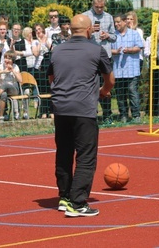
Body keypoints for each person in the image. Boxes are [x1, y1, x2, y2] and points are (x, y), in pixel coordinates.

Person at [48, 14, 114, 217]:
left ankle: (65, 197)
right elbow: (110, 78)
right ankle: (78, 202)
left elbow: (51, 76)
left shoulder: (57, 51)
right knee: (86, 156)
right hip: (84, 109)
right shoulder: (96, 49)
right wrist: (103, 91)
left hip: (61, 108)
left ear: (70, 30)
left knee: (64, 153)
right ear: (88, 31)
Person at [111, 12, 143, 122]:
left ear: (124, 22)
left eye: (118, 22)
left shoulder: (134, 34)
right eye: (115, 22)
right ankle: (123, 115)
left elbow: (139, 47)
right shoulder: (113, 35)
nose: (116, 24)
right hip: (118, 70)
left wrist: (129, 50)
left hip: (132, 70)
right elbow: (107, 50)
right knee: (120, 94)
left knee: (132, 92)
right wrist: (114, 51)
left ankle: (136, 115)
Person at [0, 51, 23, 121]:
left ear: (12, 60)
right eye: (5, 58)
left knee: (5, 84)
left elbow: (20, 80)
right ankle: (1, 116)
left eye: (9, 59)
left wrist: (13, 70)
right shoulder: (1, 66)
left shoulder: (15, 67)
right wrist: (3, 71)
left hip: (13, 89)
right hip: (2, 90)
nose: (6, 60)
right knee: (3, 94)